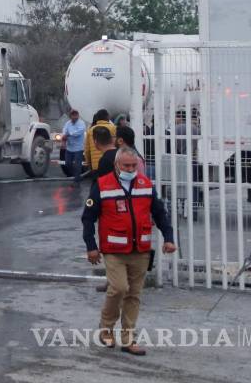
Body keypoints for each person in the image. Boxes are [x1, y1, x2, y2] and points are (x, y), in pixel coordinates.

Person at [82, 147, 175, 355]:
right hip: (114, 250)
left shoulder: (146, 185)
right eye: (126, 166)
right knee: (119, 288)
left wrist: (169, 238)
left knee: (134, 295)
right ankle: (106, 328)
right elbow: (88, 218)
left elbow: (160, 214)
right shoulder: (102, 185)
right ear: (117, 165)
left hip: (140, 250)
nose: (131, 169)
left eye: (134, 166)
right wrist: (91, 247)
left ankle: (128, 338)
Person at [84, 109, 116, 175]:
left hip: (95, 166)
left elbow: (87, 150)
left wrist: (89, 164)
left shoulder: (90, 130)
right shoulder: (113, 128)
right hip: (111, 163)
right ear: (107, 117)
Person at [61, 109, 87, 184]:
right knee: (67, 163)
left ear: (78, 115)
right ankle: (76, 175)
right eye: (73, 115)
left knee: (77, 164)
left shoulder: (81, 123)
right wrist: (64, 139)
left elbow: (78, 132)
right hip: (69, 148)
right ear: (70, 116)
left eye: (76, 114)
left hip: (78, 148)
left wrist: (68, 134)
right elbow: (64, 131)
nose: (74, 116)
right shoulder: (67, 123)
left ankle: (76, 180)